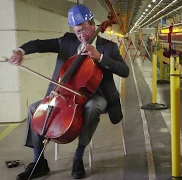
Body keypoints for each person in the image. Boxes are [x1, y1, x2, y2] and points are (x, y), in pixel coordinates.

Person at [7, 4, 129, 180]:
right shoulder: (68, 40)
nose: (81, 35)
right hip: (66, 94)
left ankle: (78, 156)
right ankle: (39, 162)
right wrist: (21, 51)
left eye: (84, 30)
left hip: (97, 95)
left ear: (93, 25)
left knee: (93, 106)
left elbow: (124, 71)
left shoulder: (108, 47)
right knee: (34, 109)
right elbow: (39, 45)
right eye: (77, 31)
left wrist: (100, 57)